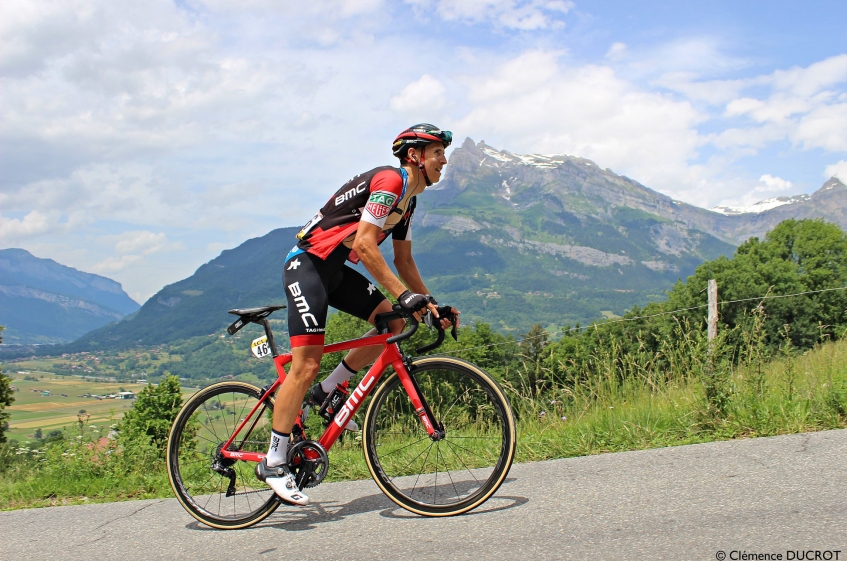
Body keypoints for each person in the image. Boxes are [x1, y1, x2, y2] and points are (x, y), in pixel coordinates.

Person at [256, 124, 460, 505]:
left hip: (335, 271)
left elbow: (404, 260)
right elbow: (366, 245)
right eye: (437, 153)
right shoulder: (390, 181)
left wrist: (431, 303)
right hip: (307, 267)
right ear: (415, 155)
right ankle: (273, 459)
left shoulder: (409, 202)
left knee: (393, 323)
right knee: (304, 367)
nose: (444, 160)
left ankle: (328, 390)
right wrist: (404, 295)